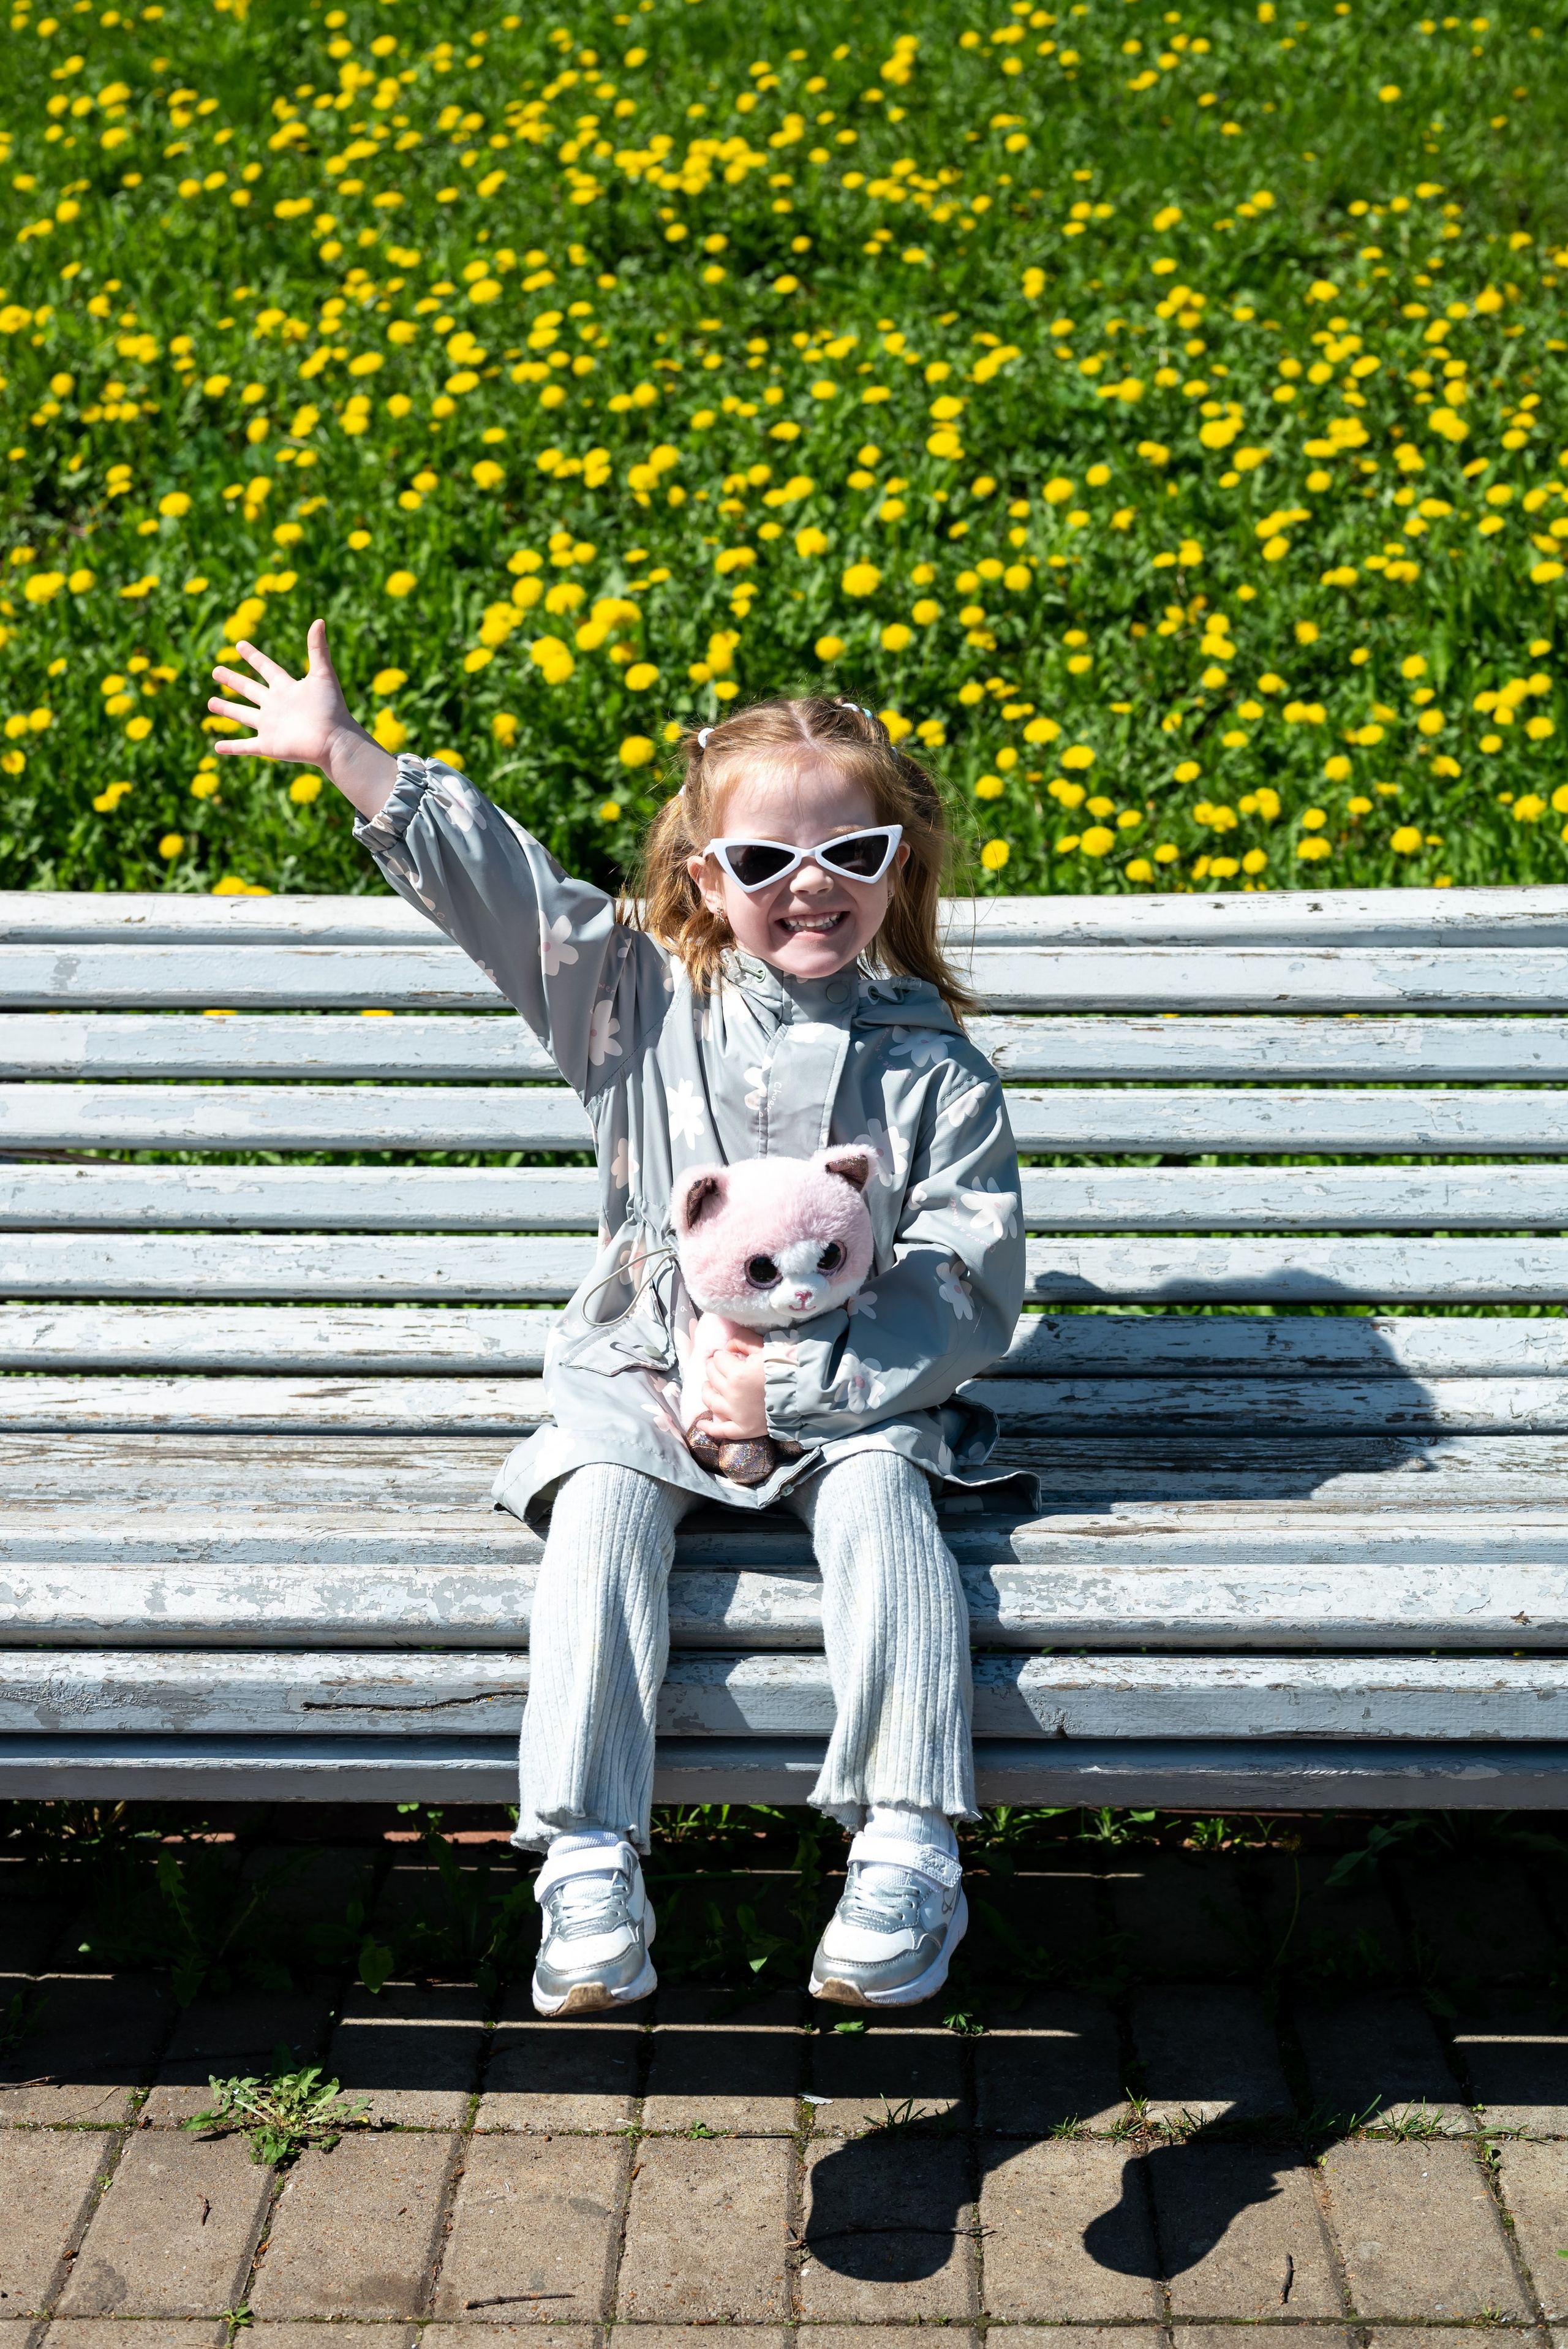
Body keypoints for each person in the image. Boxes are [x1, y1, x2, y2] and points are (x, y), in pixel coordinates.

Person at [208, 619, 1026, 2017]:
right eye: (765, 861)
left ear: (901, 862)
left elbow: (965, 1276)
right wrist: (350, 757)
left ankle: (907, 1846)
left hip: (860, 1401)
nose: (809, 887)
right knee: (597, 1505)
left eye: (851, 854)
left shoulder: (935, 1069)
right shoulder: (638, 996)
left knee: (888, 1504)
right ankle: (584, 1863)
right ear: (706, 877)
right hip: (649, 1371)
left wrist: (798, 1397)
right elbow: (510, 898)